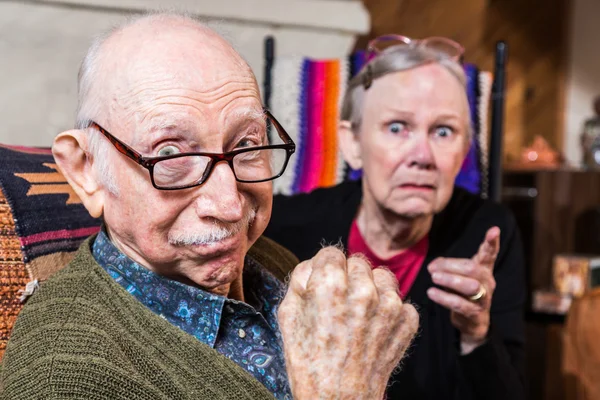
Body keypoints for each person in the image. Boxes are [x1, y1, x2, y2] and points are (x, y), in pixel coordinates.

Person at [0, 14, 419, 399]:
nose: (230, 206)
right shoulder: (63, 379)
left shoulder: (268, 259)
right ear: (85, 169)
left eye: (247, 144)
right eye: (170, 155)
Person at [265, 36, 526, 400]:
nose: (423, 155)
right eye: (397, 127)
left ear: (464, 150)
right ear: (353, 143)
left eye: (443, 131)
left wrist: (476, 332)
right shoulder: (284, 229)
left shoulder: (486, 234)